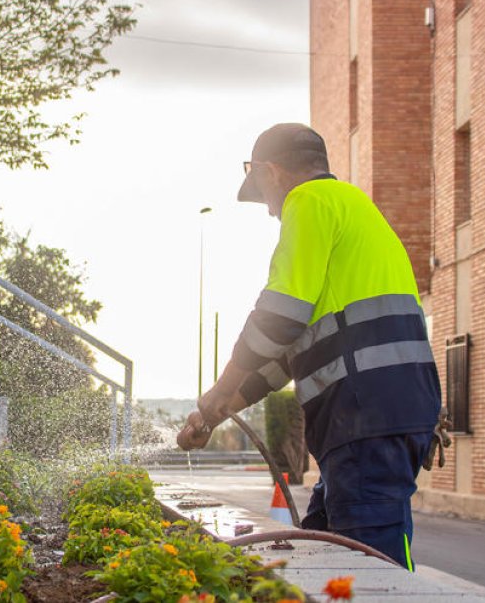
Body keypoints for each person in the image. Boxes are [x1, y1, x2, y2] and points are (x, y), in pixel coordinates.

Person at [177, 123, 442, 570]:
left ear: (270, 172)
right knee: (319, 550)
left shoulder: (308, 202)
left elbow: (277, 318)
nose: (269, 212)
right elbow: (289, 350)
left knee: (369, 569)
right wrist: (221, 407)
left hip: (365, 416)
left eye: (263, 194)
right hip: (382, 413)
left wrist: (220, 388)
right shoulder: (352, 207)